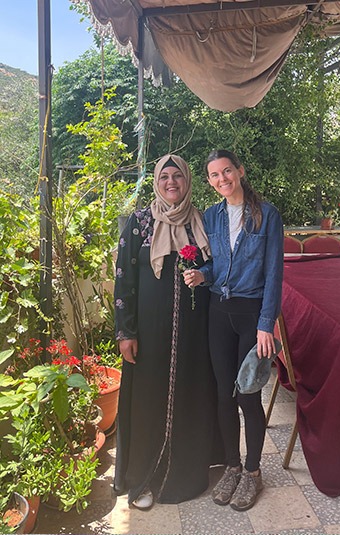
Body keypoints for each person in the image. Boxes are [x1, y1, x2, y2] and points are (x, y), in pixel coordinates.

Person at [113, 154, 220, 509]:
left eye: (178, 176)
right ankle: (142, 480)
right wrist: (125, 332)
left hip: (193, 335)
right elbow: (124, 279)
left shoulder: (201, 222)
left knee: (190, 397)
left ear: (187, 181)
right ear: (156, 182)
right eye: (164, 177)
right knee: (147, 401)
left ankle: (186, 474)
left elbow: (218, 268)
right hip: (149, 335)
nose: (171, 182)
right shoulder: (140, 223)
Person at [186, 149, 283, 511]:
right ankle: (232, 467)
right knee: (224, 395)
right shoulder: (211, 216)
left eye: (226, 171)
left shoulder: (266, 215)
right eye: (214, 175)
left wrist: (265, 325)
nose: (222, 179)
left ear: (240, 171)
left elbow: (274, 273)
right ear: (209, 181)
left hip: (251, 314)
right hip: (218, 311)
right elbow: (214, 265)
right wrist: (201, 275)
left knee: (248, 396)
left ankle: (253, 473)